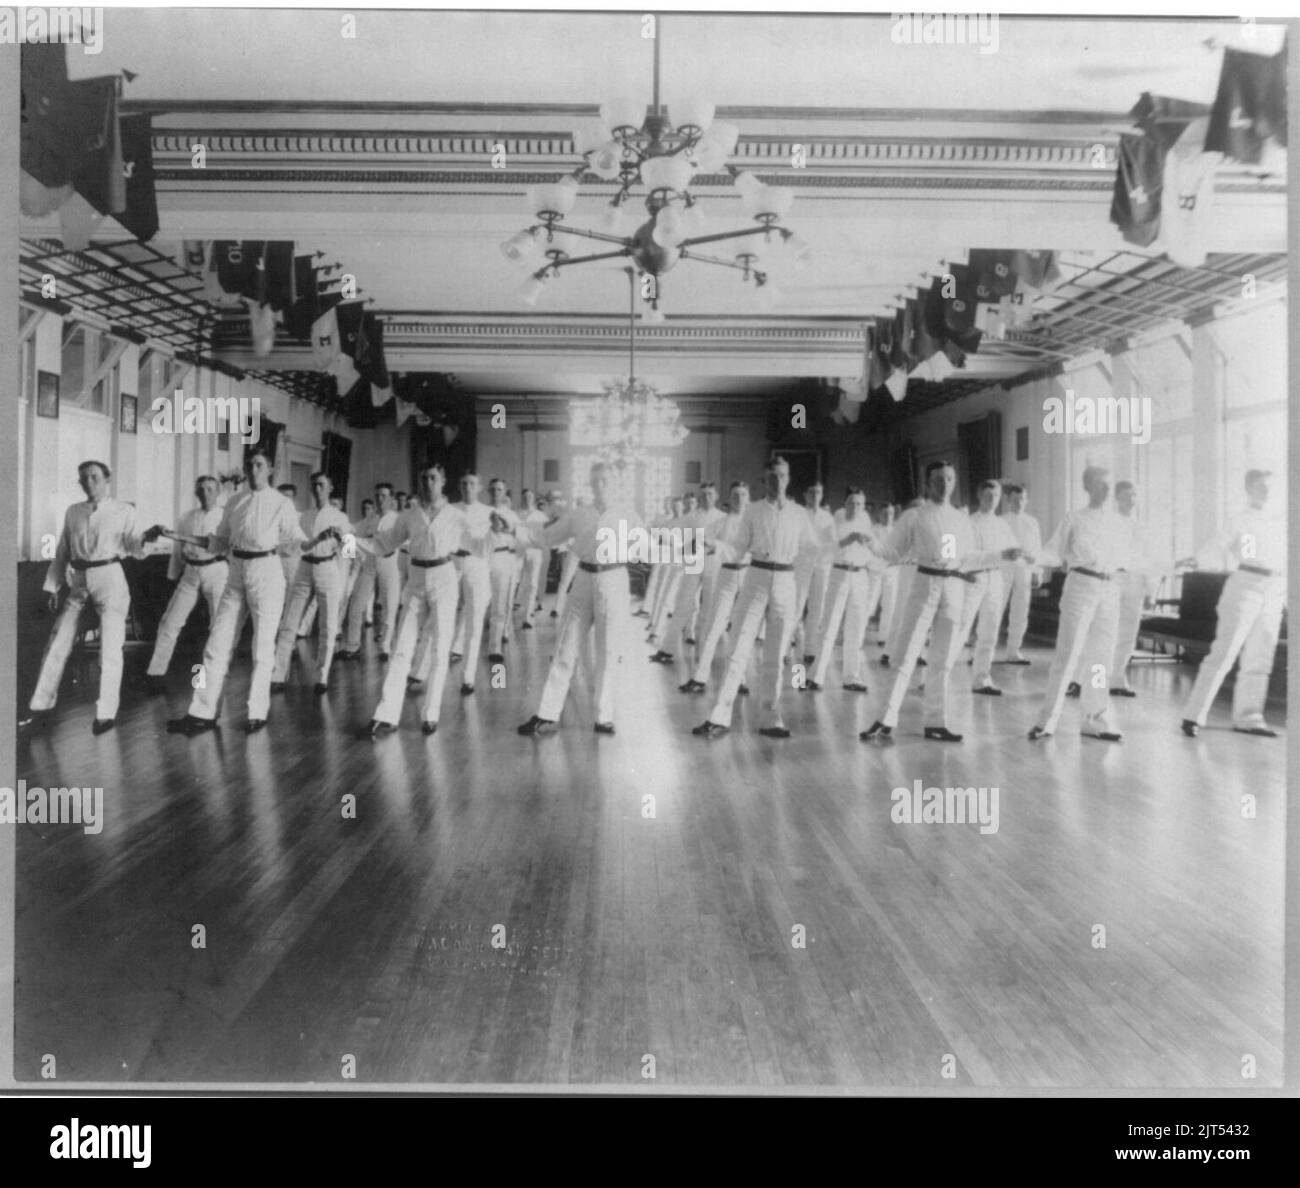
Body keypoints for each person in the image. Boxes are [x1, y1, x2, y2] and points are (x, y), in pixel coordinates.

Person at [166, 448, 336, 736]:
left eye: (259, 464)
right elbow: (218, 542)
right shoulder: (234, 501)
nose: (253, 469)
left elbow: (296, 541)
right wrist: (178, 536)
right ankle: (202, 712)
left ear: (269, 469)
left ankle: (257, 712)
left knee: (261, 647)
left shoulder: (281, 504)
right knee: (216, 642)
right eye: (250, 464)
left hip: (266, 575)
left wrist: (316, 540)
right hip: (235, 573)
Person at [860, 462, 1022, 743]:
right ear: (927, 483)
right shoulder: (914, 516)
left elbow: (967, 559)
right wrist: (870, 542)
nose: (944, 484)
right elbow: (892, 552)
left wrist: (1002, 555)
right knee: (905, 654)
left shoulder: (960, 519)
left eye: (949, 479)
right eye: (938, 479)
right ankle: (884, 720)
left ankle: (936, 722)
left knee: (943, 659)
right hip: (924, 585)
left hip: (953, 588)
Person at [692, 456, 822, 740]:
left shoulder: (799, 514)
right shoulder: (752, 511)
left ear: (788, 479)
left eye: (783, 476)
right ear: (764, 481)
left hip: (785, 582)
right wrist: (714, 546)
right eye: (772, 477)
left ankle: (771, 717)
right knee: (739, 647)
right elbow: (738, 549)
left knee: (776, 654)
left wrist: (799, 591)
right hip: (756, 579)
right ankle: (719, 716)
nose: (778, 482)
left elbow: (813, 551)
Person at [21, 460, 148, 735]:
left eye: (94, 477)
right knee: (57, 641)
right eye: (84, 479)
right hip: (78, 581)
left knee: (111, 647)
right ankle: (40, 706)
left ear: (106, 480)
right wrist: (51, 587)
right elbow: (62, 551)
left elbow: (136, 548)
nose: (89, 483)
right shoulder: (73, 513)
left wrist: (145, 540)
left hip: (109, 577)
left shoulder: (124, 511)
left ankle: (106, 713)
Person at [517, 461, 641, 735]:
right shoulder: (579, 514)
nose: (599, 485)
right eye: (595, 480)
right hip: (583, 579)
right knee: (566, 645)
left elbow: (647, 545)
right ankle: (547, 714)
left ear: (615, 483)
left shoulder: (627, 514)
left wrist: (686, 547)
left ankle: (603, 716)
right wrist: (514, 531)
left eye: (605, 480)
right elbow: (547, 537)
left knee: (608, 650)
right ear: (590, 483)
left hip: (613, 579)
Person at [357, 464, 467, 737]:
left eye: (433, 478)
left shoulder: (456, 515)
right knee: (402, 648)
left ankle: (431, 714)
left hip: (444, 577)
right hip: (416, 578)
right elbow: (382, 545)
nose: (428, 483)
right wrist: (347, 539)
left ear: (443, 481)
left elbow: (477, 544)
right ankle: (386, 715)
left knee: (440, 649)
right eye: (424, 478)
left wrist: (500, 530)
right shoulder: (409, 515)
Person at [1025, 465, 1131, 743]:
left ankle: (1095, 719)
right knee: (1068, 655)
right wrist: (1031, 557)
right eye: (1099, 484)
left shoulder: (1118, 523)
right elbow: (1053, 552)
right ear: (1087, 487)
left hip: (1109, 589)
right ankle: (1046, 720)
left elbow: (1132, 558)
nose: (1106, 490)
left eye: (1108, 484)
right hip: (1080, 588)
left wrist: (1170, 564)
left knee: (1100, 661)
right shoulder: (1074, 518)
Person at [1180, 469, 1286, 738]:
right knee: (1224, 653)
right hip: (1245, 586)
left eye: (1271, 487)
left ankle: (1249, 718)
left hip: (1274, 589)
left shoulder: (1282, 520)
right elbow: (1218, 545)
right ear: (1250, 489)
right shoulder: (1240, 519)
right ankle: (1193, 715)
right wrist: (1197, 559)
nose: (1268, 492)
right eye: (1262, 487)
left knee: (1260, 658)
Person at [144, 474, 229, 690]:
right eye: (201, 489)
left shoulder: (225, 517)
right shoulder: (186, 517)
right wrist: (173, 577)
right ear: (196, 493)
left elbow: (224, 547)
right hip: (190, 572)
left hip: (217, 571)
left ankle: (217, 671)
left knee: (218, 623)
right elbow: (177, 550)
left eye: (210, 489)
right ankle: (155, 673)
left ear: (218, 492)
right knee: (169, 621)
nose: (205, 493)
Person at [270, 472, 351, 694]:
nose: (317, 489)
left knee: (328, 625)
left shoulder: (340, 517)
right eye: (314, 485)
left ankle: (322, 677)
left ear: (330, 487)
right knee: (289, 622)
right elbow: (298, 546)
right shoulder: (303, 517)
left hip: (328, 568)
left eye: (322, 485)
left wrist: (341, 538)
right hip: (304, 568)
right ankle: (277, 674)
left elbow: (350, 551)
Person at [679, 481, 752, 694]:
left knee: (742, 629)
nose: (739, 499)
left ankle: (740, 679)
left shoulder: (753, 522)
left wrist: (718, 546)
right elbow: (705, 545)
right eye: (735, 495)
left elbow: (750, 549)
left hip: (748, 575)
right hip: (726, 574)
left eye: (743, 494)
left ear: (748, 497)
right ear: (728, 498)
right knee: (713, 625)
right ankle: (700, 677)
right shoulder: (721, 522)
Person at [805, 486, 876, 693]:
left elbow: (873, 550)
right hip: (839, 574)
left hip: (861, 576)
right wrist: (850, 538)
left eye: (860, 504)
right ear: (844, 504)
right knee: (829, 625)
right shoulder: (834, 521)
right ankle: (814, 676)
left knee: (856, 628)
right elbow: (828, 549)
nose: (856, 507)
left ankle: (852, 677)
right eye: (852, 503)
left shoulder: (866, 522)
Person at [961, 480, 1020, 696]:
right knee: (960, 629)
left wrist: (1022, 556)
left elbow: (1012, 550)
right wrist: (1000, 556)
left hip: (995, 578)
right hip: (972, 578)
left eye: (995, 496)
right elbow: (965, 557)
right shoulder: (967, 522)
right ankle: (937, 678)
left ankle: (982, 678)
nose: (992, 500)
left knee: (990, 631)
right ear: (978, 494)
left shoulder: (1001, 524)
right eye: (987, 495)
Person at [340, 483, 400, 660]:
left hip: (389, 563)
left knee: (390, 606)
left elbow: (385, 543)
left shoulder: (397, 519)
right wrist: (350, 554)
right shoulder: (370, 519)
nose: (380, 500)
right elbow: (351, 532)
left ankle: (385, 647)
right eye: (377, 496)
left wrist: (361, 540)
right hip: (370, 563)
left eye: (383, 496)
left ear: (391, 499)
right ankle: (352, 645)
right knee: (357, 603)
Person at [449, 473, 493, 693]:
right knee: (441, 616)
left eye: (472, 484)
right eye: (464, 483)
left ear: (480, 487)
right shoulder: (450, 509)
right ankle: (420, 671)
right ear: (459, 486)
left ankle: (468, 677)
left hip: (477, 564)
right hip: (452, 563)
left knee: (475, 621)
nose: (468, 487)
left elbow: (486, 543)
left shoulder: (488, 512)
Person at [998, 483, 1043, 665]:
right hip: (1004, 567)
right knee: (995, 608)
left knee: (1021, 608)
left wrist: (1037, 571)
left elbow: (1037, 548)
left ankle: (1013, 650)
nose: (1019, 503)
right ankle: (980, 651)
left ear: (1027, 500)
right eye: (1015, 499)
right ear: (1008, 500)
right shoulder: (1000, 520)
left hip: (1024, 567)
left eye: (1022, 499)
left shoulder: (1032, 522)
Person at [792, 480, 836, 663]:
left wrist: (822, 551)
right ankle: (789, 644)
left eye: (818, 492)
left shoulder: (828, 517)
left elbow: (832, 542)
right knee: (797, 605)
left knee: (817, 607)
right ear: (805, 495)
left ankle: (810, 648)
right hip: (802, 563)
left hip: (822, 565)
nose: (815, 496)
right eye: (811, 492)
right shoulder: (798, 514)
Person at [648, 490, 697, 648]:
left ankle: (689, 632)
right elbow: (661, 542)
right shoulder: (670, 523)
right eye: (675, 507)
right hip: (671, 562)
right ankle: (656, 629)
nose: (677, 509)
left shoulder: (693, 521)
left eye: (679, 506)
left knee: (692, 598)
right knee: (666, 594)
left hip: (690, 562)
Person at [484, 478, 520, 663]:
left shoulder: (511, 514)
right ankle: (490, 645)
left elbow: (519, 538)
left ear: (505, 492)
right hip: (486, 558)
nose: (496, 493)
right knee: (486, 603)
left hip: (506, 558)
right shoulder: (482, 511)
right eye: (493, 490)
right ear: (488, 492)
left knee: (503, 602)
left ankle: (497, 643)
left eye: (499, 490)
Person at [517, 488, 548, 630]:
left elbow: (546, 533)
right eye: (525, 496)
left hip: (535, 551)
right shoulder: (516, 514)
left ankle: (527, 617)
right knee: (515, 582)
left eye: (530, 496)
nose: (527, 498)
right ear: (521, 498)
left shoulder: (541, 515)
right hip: (518, 551)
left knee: (532, 583)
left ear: (533, 498)